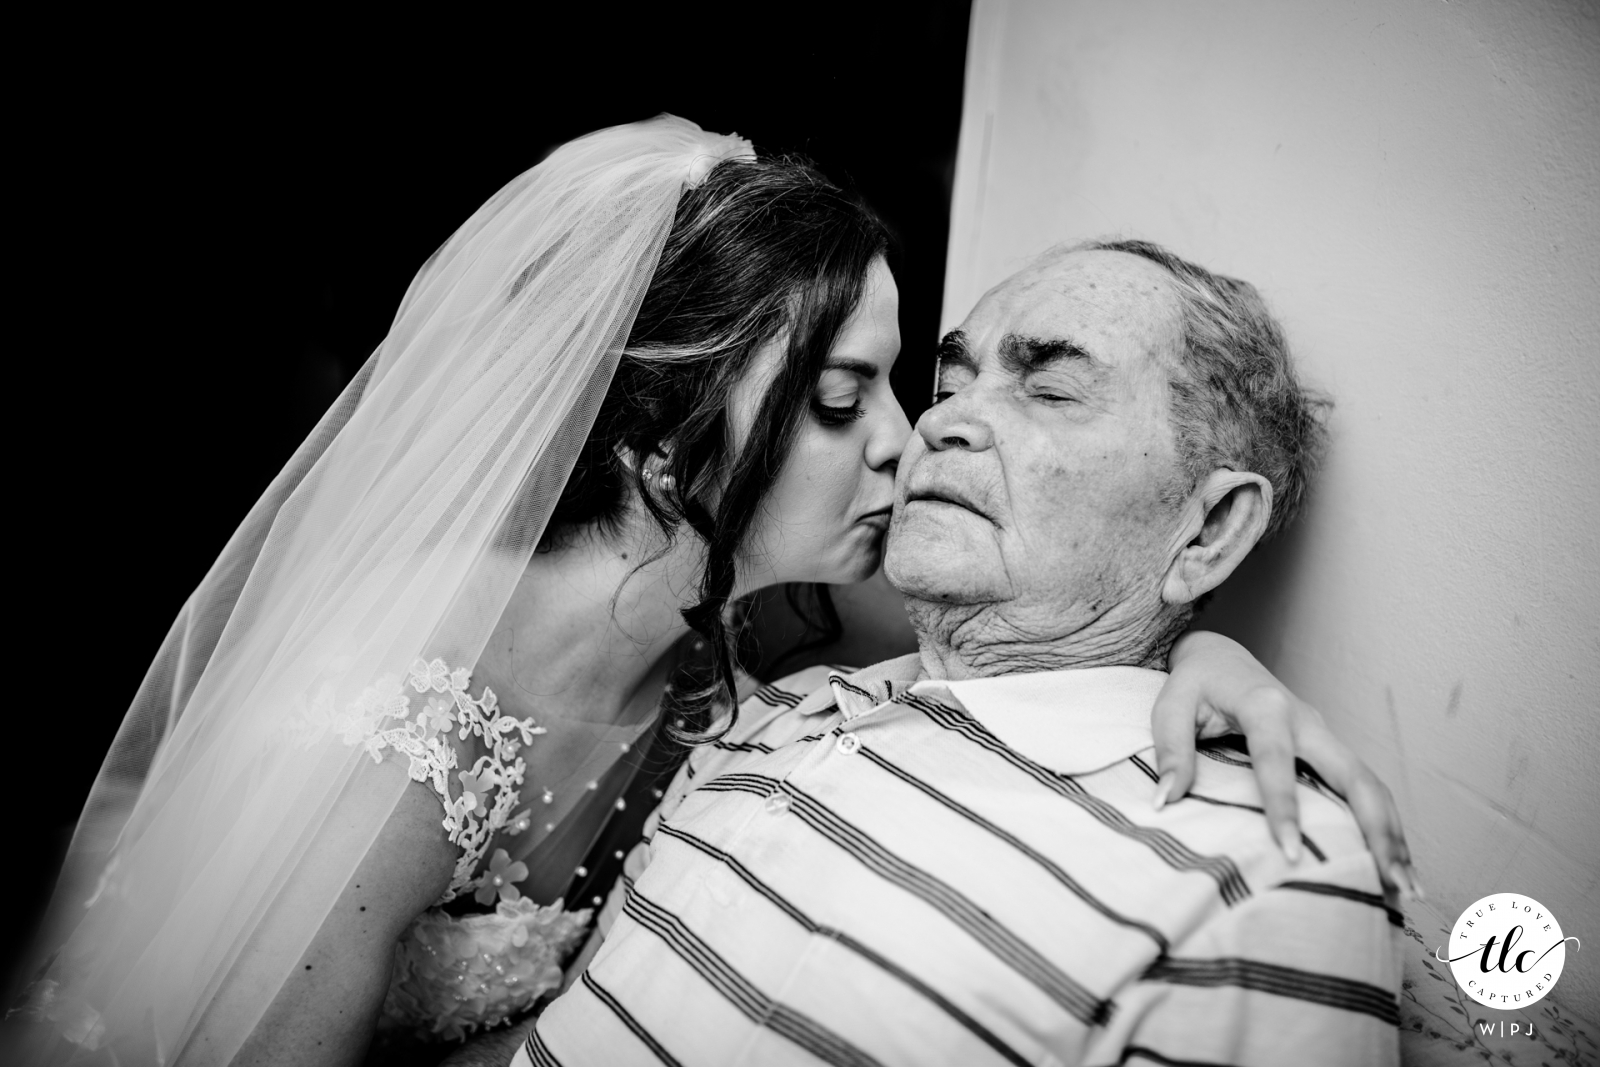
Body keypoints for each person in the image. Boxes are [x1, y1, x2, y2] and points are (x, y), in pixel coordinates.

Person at [6, 119, 1408, 1067]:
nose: (917, 439)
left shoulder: (765, 632)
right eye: (851, 394)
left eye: (905, 391)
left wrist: (1204, 651)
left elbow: (1039, 645)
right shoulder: (406, 719)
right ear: (660, 449)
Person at [514, 240, 1404, 1067]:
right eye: (952, 382)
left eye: (1050, 392)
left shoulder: (1267, 866)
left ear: (1207, 529)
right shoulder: (779, 706)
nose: (937, 427)